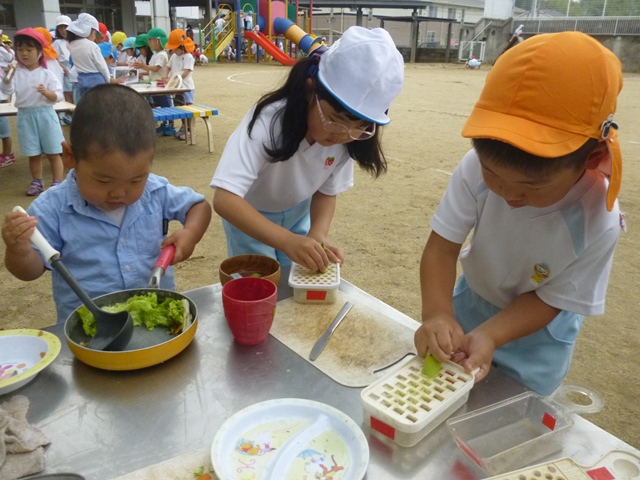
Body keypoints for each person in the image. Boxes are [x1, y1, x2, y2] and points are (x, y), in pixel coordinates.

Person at [413, 32, 624, 396]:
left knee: (510, 413)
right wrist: (437, 313)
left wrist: (493, 334)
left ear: (589, 159)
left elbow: (551, 300)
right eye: (492, 174)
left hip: (537, 337)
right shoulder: (473, 167)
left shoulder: (598, 221)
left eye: (532, 187)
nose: (508, 194)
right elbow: (442, 247)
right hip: (470, 302)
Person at [1, 84, 212, 324]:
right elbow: (30, 271)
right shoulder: (51, 209)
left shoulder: (155, 191)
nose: (120, 193)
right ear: (70, 157)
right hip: (90, 327)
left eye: (135, 179)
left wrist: (190, 234)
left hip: (156, 317)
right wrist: (19, 249)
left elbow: (199, 207)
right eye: (103, 180)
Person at [210, 26, 404, 272]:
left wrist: (317, 234)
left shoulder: (348, 138)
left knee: (297, 280)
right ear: (310, 89)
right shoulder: (267, 121)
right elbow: (225, 199)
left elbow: (326, 192)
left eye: (360, 127)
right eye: (334, 120)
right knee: (260, 283)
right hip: (250, 216)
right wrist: (287, 240)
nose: (343, 135)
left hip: (298, 214)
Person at [1, 28, 64, 196]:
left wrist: (47, 93)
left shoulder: (47, 74)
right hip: (25, 116)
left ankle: (57, 182)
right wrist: (6, 78)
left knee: (53, 152)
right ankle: (37, 182)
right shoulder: (16, 73)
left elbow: (58, 96)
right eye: (20, 49)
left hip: (45, 115)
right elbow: (7, 91)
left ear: (39, 52)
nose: (24, 53)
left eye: (29, 49)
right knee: (33, 153)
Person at [66, 13, 119, 101]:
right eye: (95, 33)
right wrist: (109, 79)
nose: (95, 37)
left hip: (81, 79)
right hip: (96, 80)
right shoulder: (92, 46)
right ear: (88, 30)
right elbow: (101, 66)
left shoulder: (71, 45)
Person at [134, 27, 177, 136]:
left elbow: (156, 68)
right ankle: (164, 124)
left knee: (165, 104)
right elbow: (151, 70)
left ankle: (170, 125)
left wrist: (144, 66)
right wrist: (140, 73)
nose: (149, 43)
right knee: (159, 103)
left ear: (158, 41)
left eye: (150, 40)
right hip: (155, 83)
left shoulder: (162, 54)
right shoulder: (155, 54)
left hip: (161, 84)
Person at [163, 29, 195, 141]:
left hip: (186, 88)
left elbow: (185, 73)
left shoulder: (188, 57)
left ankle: (189, 129)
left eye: (175, 47)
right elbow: (167, 67)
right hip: (177, 88)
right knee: (179, 108)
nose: (173, 50)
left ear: (181, 46)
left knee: (187, 109)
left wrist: (173, 80)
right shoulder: (173, 56)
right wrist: (165, 76)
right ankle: (183, 127)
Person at [52, 15, 74, 117]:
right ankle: (69, 115)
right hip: (65, 69)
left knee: (75, 93)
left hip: (75, 68)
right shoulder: (57, 42)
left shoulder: (74, 41)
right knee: (68, 93)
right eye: (60, 28)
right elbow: (54, 58)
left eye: (65, 27)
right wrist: (63, 67)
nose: (63, 30)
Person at [0, 34, 15, 167]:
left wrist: (8, 49)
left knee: (4, 129)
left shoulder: (4, 51)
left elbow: (10, 57)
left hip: (1, 95)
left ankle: (7, 154)